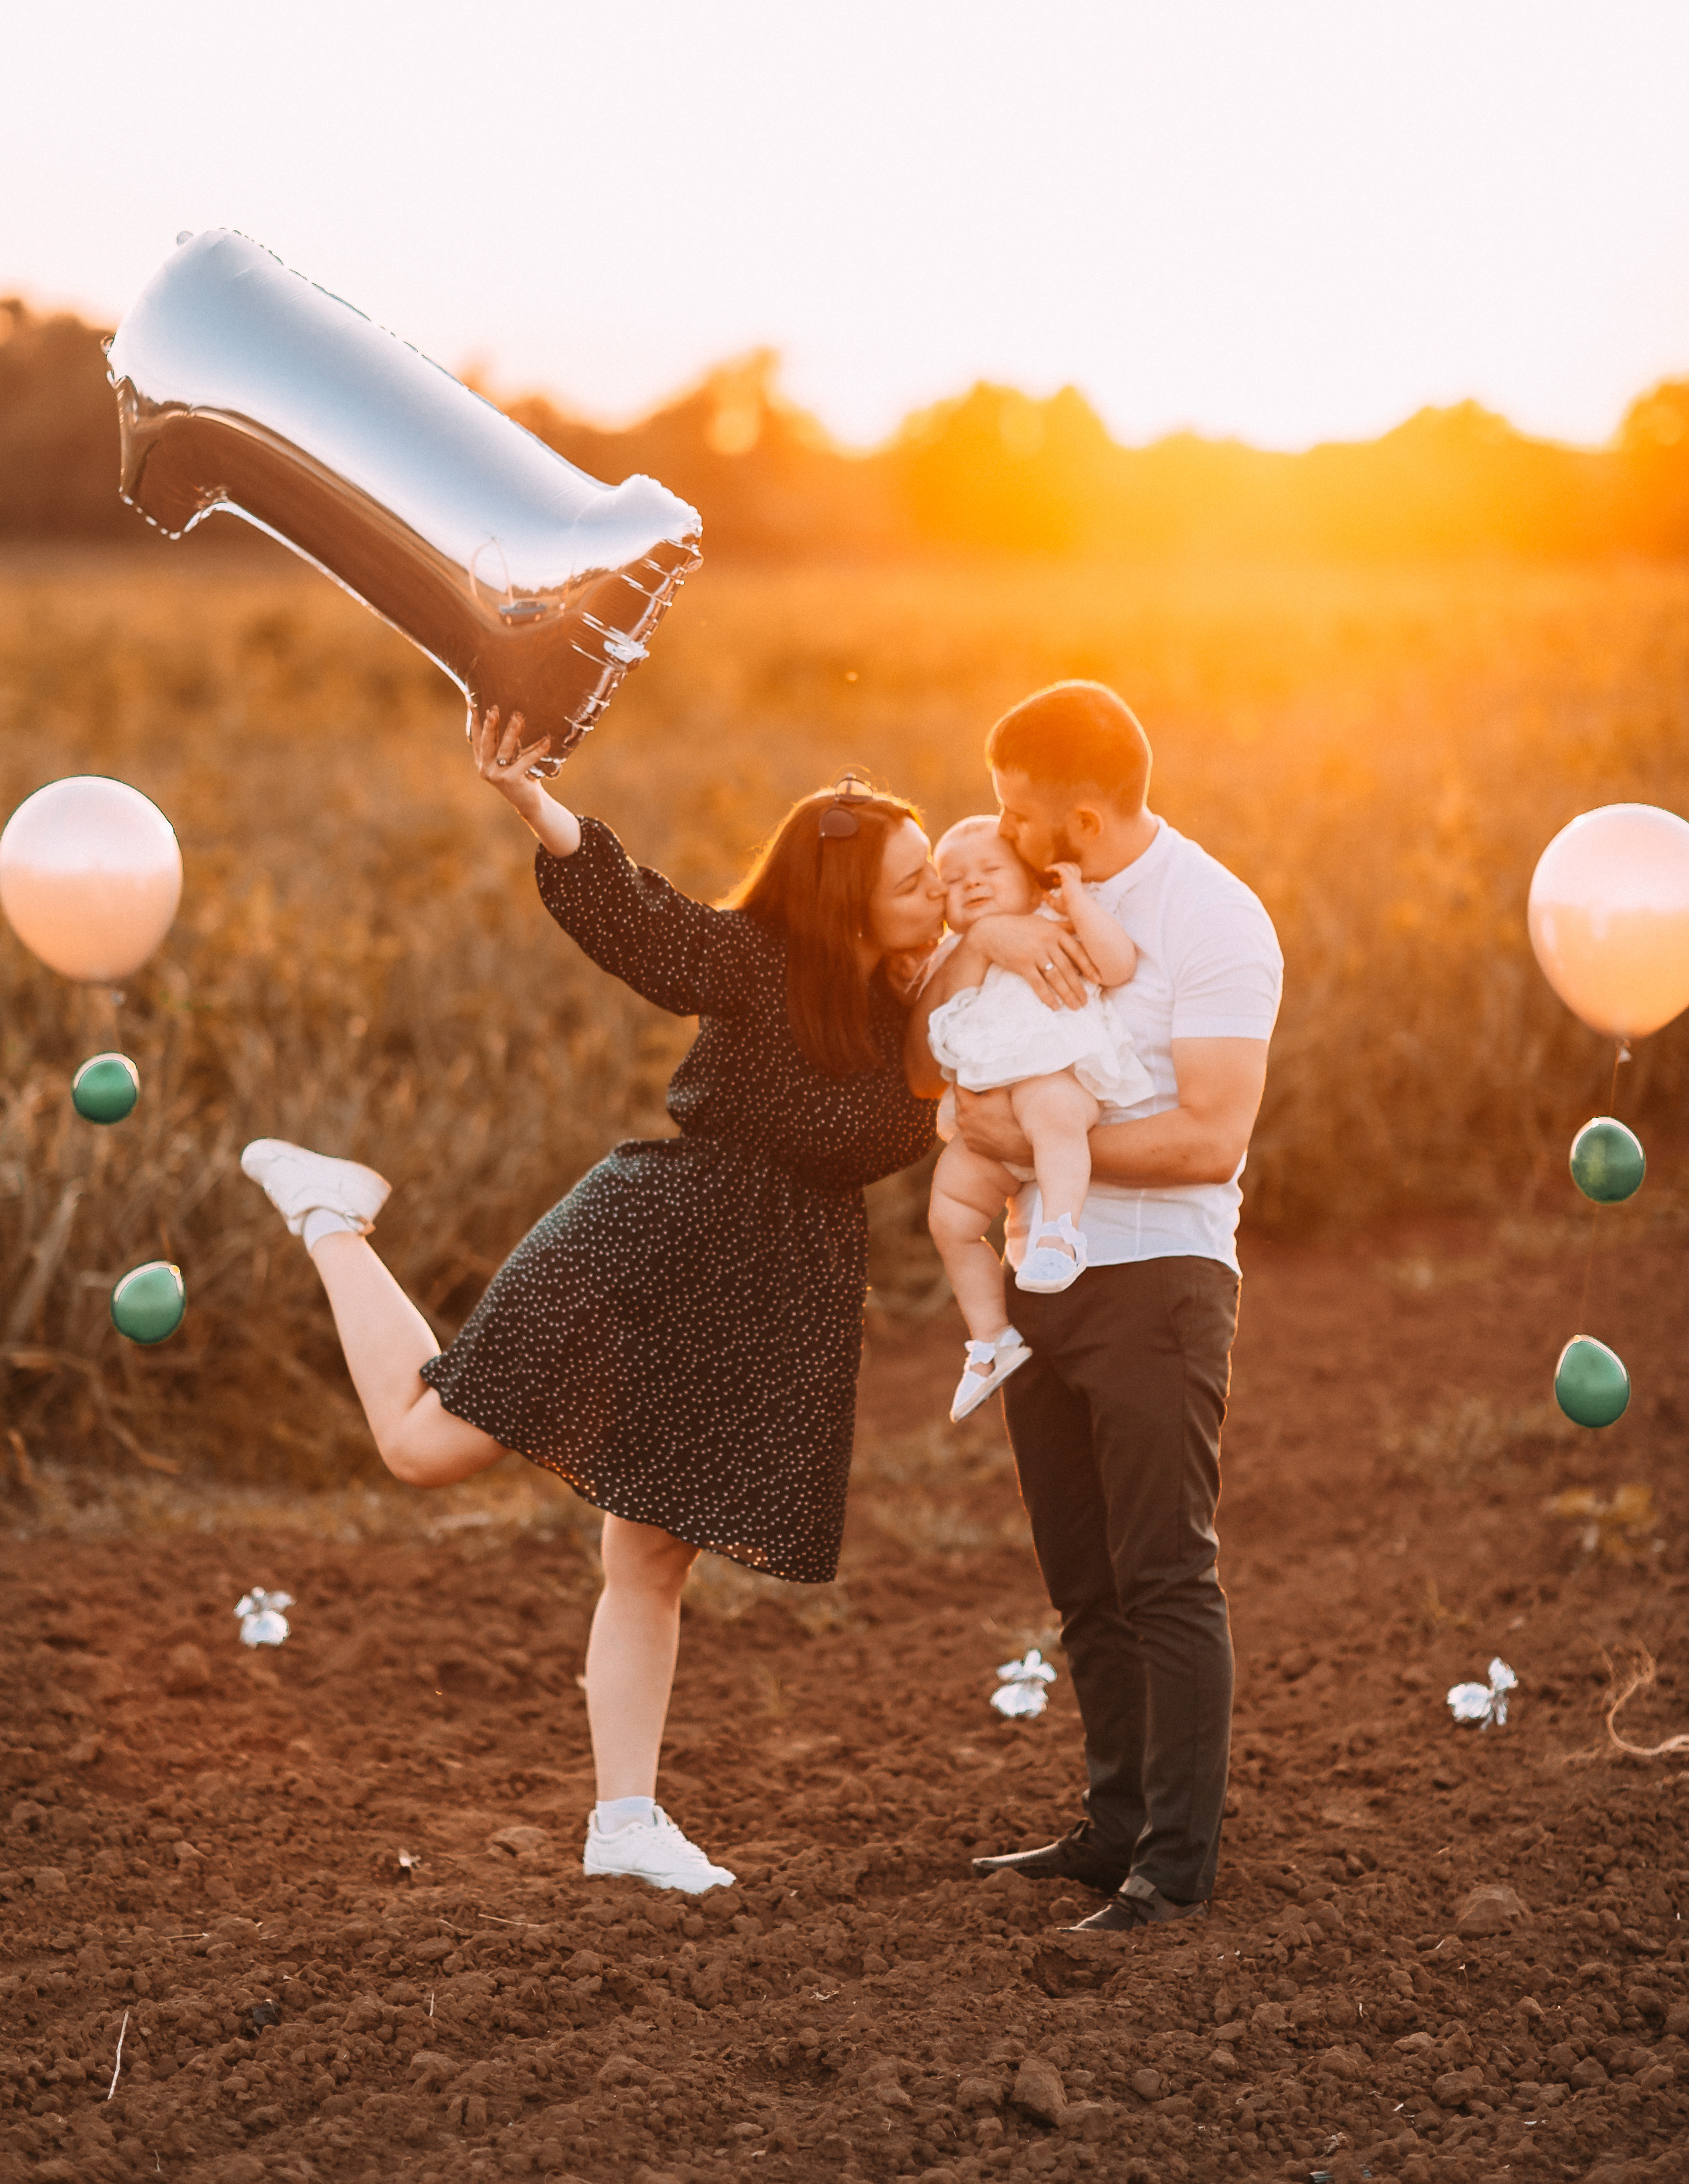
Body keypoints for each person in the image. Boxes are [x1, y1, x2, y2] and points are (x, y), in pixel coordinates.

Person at [242, 719, 943, 1895]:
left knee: (653, 1559)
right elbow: (637, 918)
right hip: (652, 1244)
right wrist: (533, 803)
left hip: (774, 1293)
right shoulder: (757, 965)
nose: (938, 897)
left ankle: (623, 1823)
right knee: (423, 1448)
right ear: (848, 906)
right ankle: (329, 1219)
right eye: (914, 883)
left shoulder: (927, 1003)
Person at [907, 681, 1282, 1935]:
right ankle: (1113, 1823)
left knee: (1164, 1572)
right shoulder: (1011, 897)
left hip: (1159, 1282)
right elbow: (926, 1049)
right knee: (1081, 1577)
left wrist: (1025, 1134)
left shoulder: (1215, 919)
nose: (999, 828)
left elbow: (1211, 1141)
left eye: (1019, 810)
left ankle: (1175, 1868)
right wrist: (984, 945)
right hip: (1036, 1276)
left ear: (1078, 814)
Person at [922, 816, 1150, 1421]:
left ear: (1029, 883)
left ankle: (1060, 1232)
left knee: (1051, 1116)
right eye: (954, 879)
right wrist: (973, 943)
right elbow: (937, 1022)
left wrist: (1074, 899)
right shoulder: (958, 952)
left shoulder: (1055, 924)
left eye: (990, 871)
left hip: (1055, 1079)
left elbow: (1117, 964)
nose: (971, 884)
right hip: (986, 1112)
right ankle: (991, 1338)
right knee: (950, 1213)